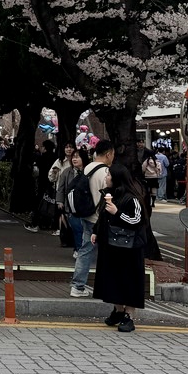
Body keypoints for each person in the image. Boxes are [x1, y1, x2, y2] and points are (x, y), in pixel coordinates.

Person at [92, 163, 147, 333]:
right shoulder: (108, 195)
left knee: (129, 280)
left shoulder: (133, 199)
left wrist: (117, 212)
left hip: (130, 248)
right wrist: (96, 232)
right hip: (110, 245)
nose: (106, 177)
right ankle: (118, 310)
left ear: (117, 178)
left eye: (109, 175)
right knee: (111, 279)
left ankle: (129, 316)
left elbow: (137, 221)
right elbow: (102, 217)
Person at [70, 140, 114, 298]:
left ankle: (77, 286)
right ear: (108, 153)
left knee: (85, 250)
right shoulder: (105, 172)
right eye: (112, 154)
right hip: (99, 219)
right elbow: (108, 196)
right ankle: (107, 286)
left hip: (86, 215)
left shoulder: (88, 167)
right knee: (108, 252)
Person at [56, 146, 87, 256]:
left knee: (84, 230)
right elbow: (61, 188)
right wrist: (60, 202)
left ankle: (80, 249)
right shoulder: (66, 172)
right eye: (73, 157)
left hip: (86, 206)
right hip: (71, 206)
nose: (74, 159)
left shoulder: (88, 171)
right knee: (76, 228)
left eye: (77, 157)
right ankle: (78, 249)